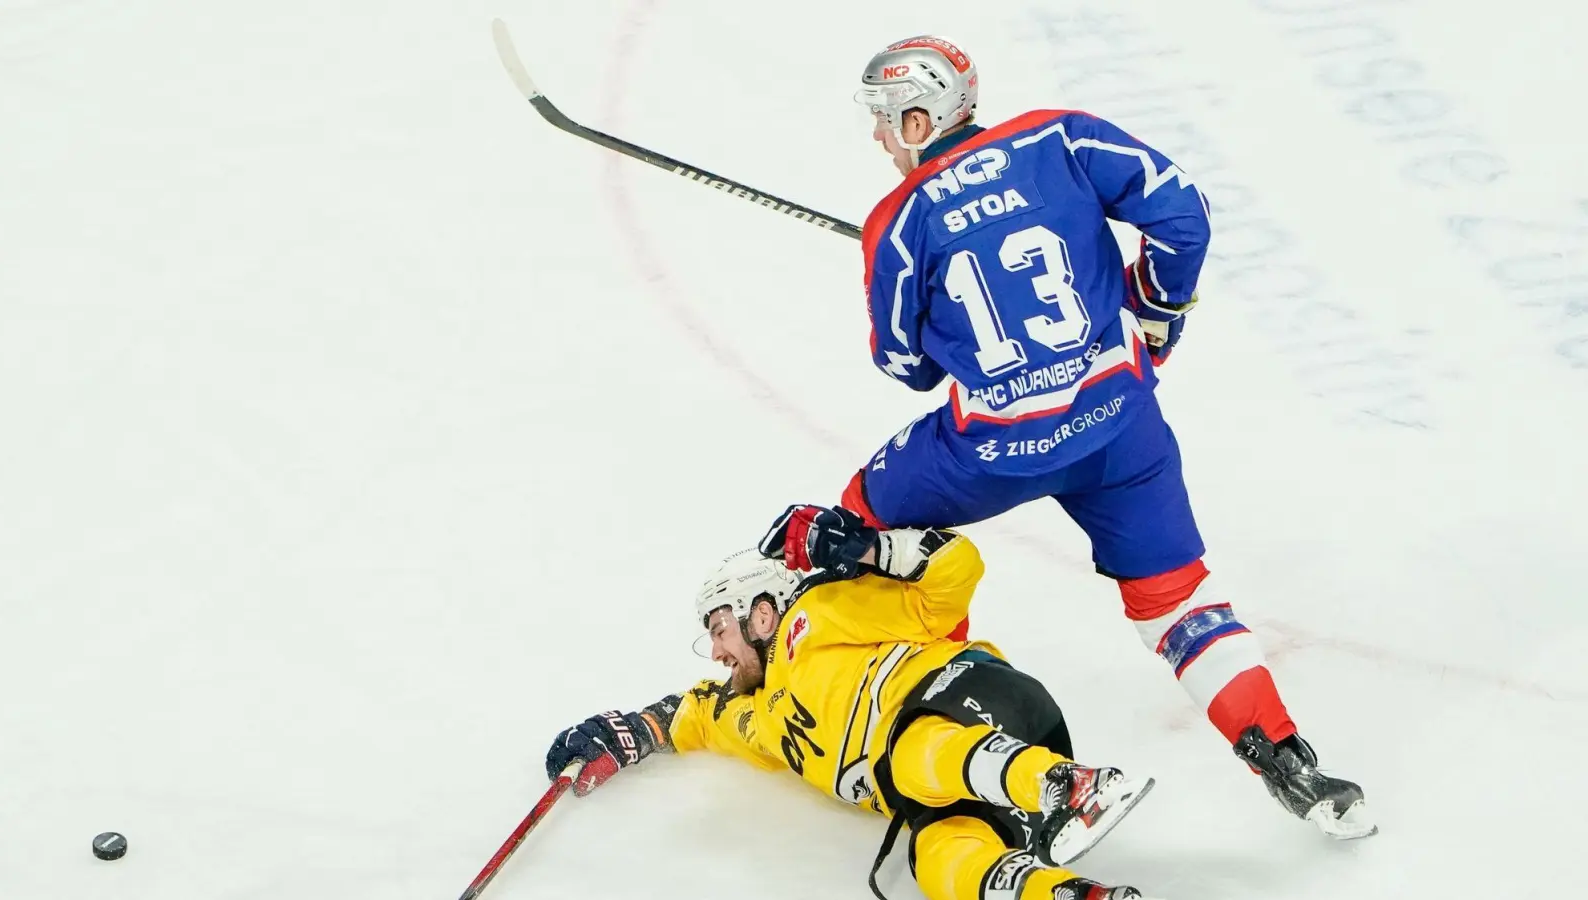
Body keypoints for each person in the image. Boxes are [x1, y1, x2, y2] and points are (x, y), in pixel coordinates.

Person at [819, 35, 1373, 839]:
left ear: (916, 116)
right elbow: (1185, 217)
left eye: (881, 120)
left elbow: (904, 366)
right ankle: (1290, 761)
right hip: (1120, 428)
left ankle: (914, 713)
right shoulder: (1061, 137)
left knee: (857, 517)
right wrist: (1156, 315)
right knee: (1178, 598)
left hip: (993, 453)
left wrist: (946, 313)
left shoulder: (896, 224)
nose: (877, 137)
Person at [544, 514, 1157, 900]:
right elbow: (690, 716)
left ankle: (1069, 786)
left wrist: (870, 551)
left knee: (905, 756)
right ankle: (1073, 894)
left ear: (761, 612)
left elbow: (957, 570)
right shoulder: (753, 717)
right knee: (936, 856)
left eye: (720, 628)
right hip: (958, 782)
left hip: (983, 701)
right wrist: (624, 733)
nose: (717, 652)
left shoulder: (819, 613)